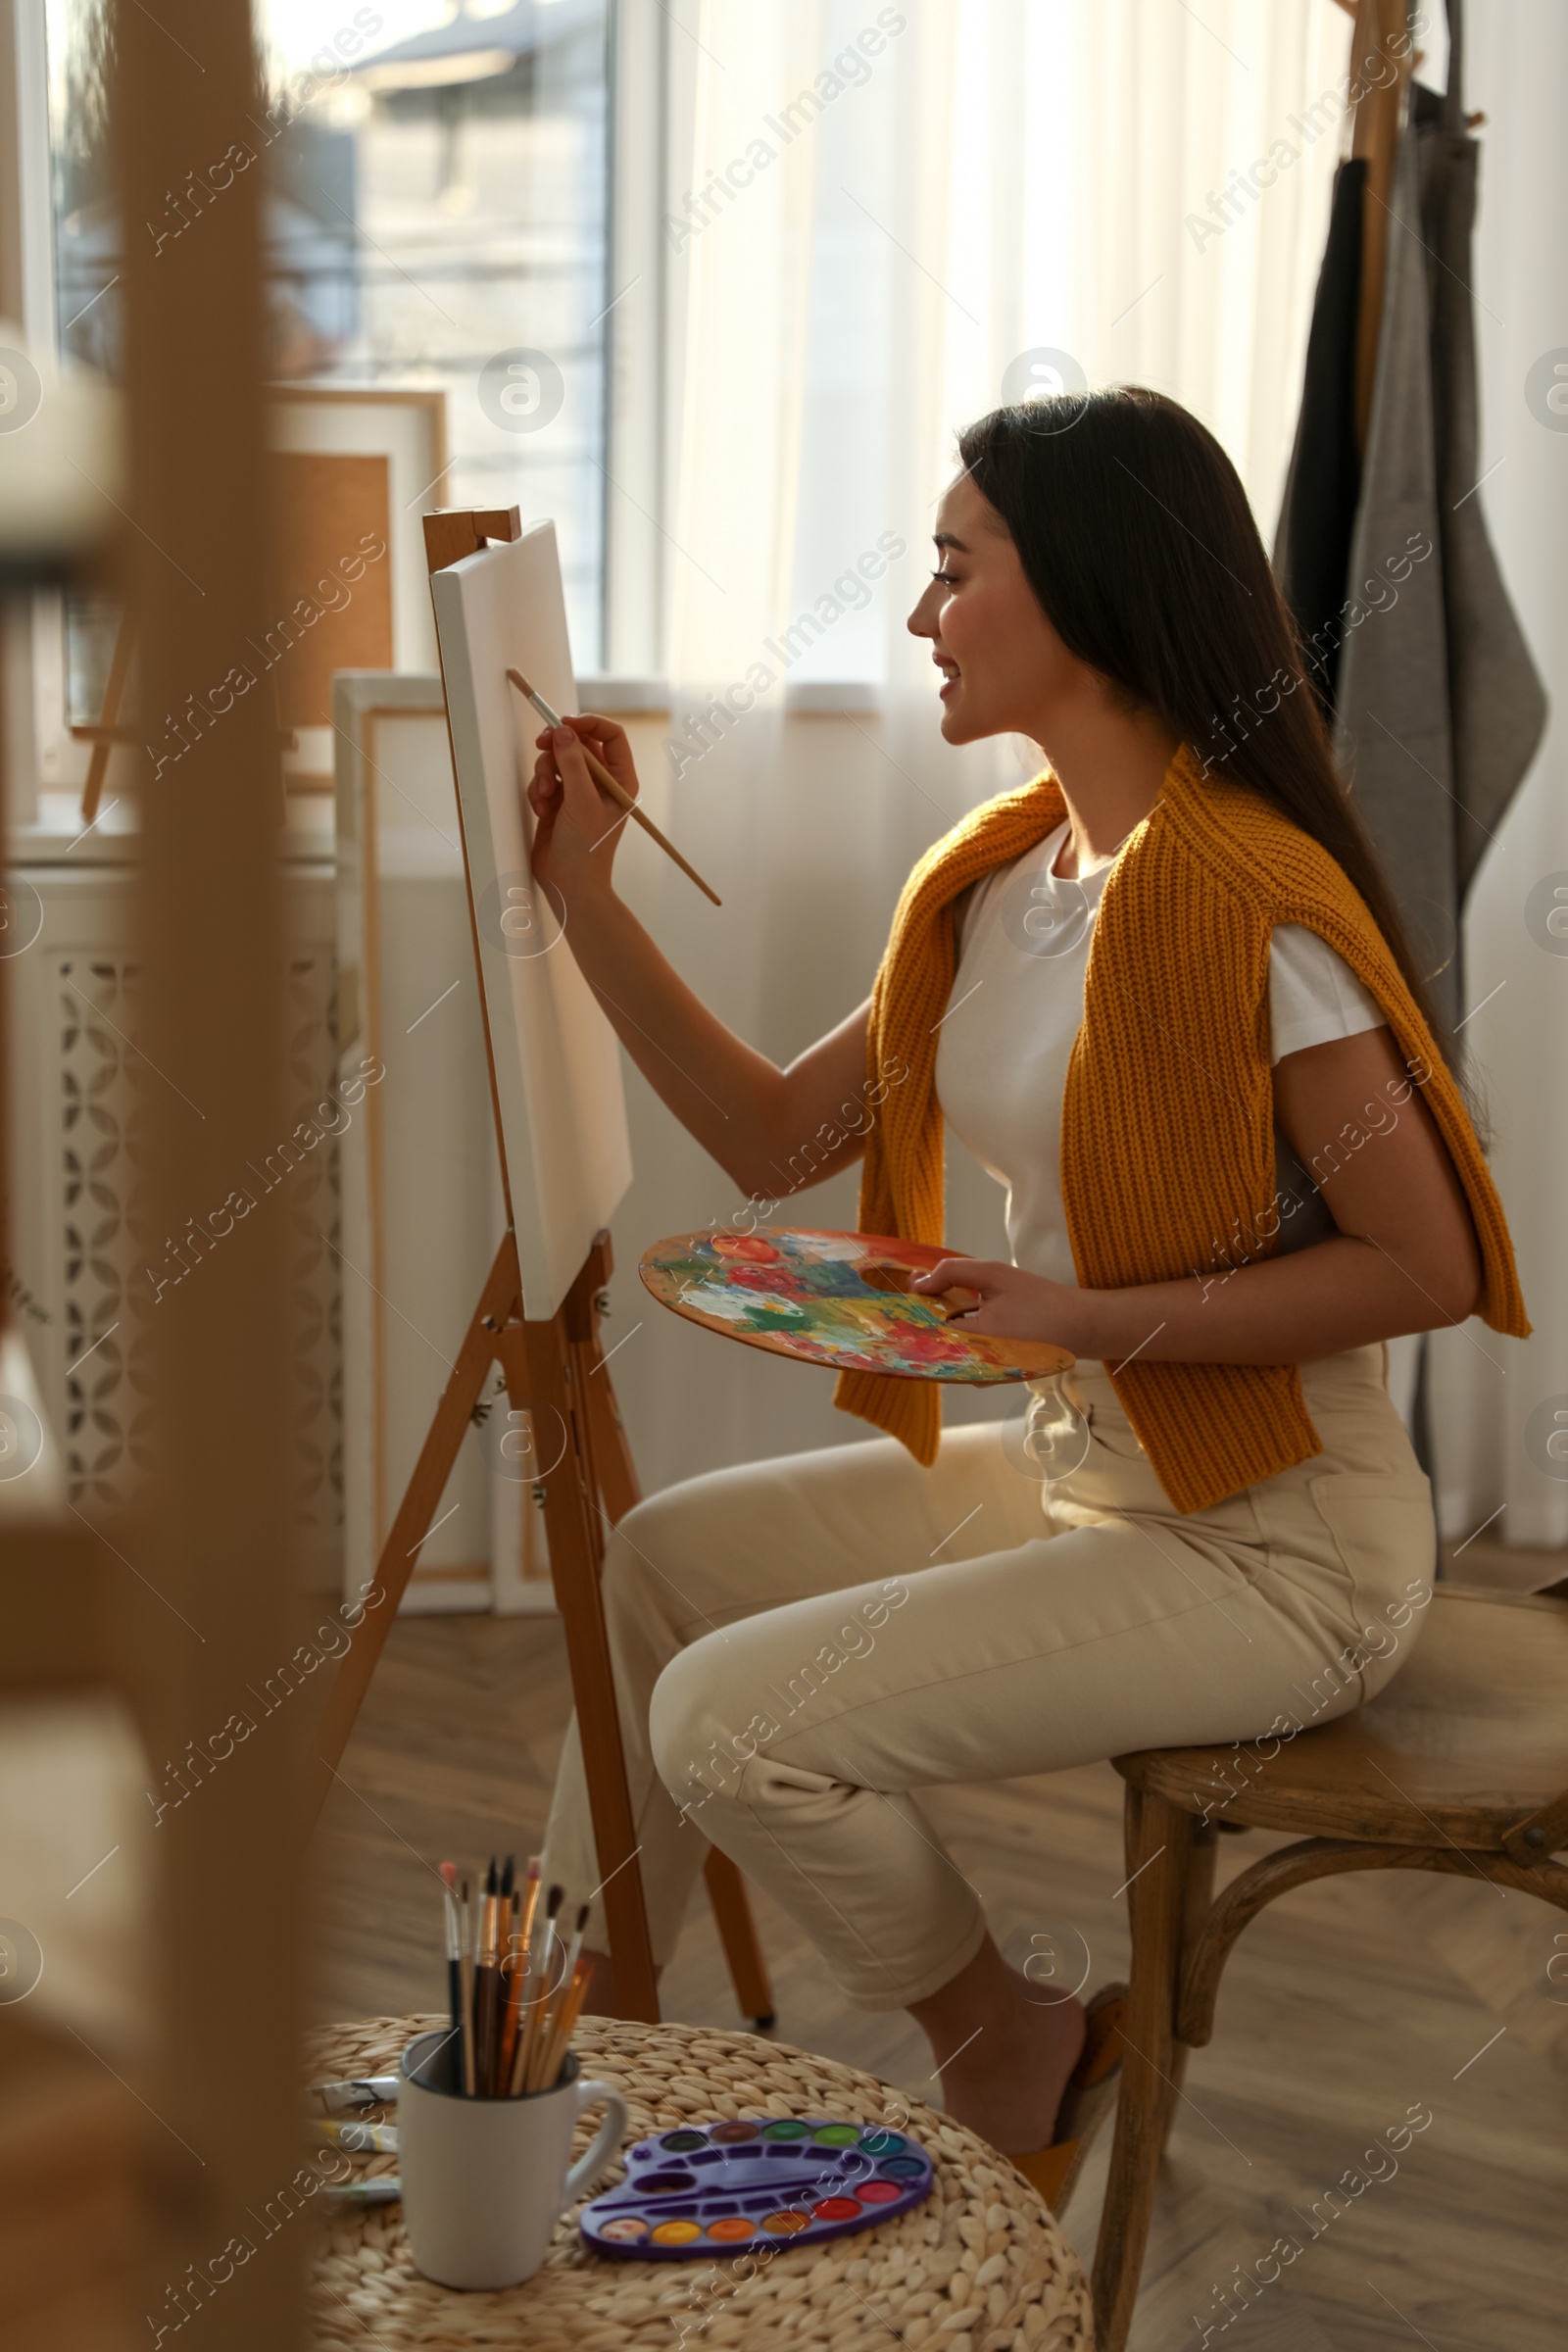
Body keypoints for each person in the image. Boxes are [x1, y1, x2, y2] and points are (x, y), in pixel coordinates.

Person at [526, 387, 1527, 2205]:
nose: (920, 615)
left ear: (1084, 586)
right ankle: (573, 2028)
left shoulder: (1259, 906)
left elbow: (1427, 1268)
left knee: (728, 1723)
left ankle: (1007, 2037)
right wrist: (585, 892)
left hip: (1276, 1542)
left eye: (950, 570)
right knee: (656, 1563)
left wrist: (1070, 1320)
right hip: (1090, 1471)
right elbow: (777, 1138)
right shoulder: (992, 879)